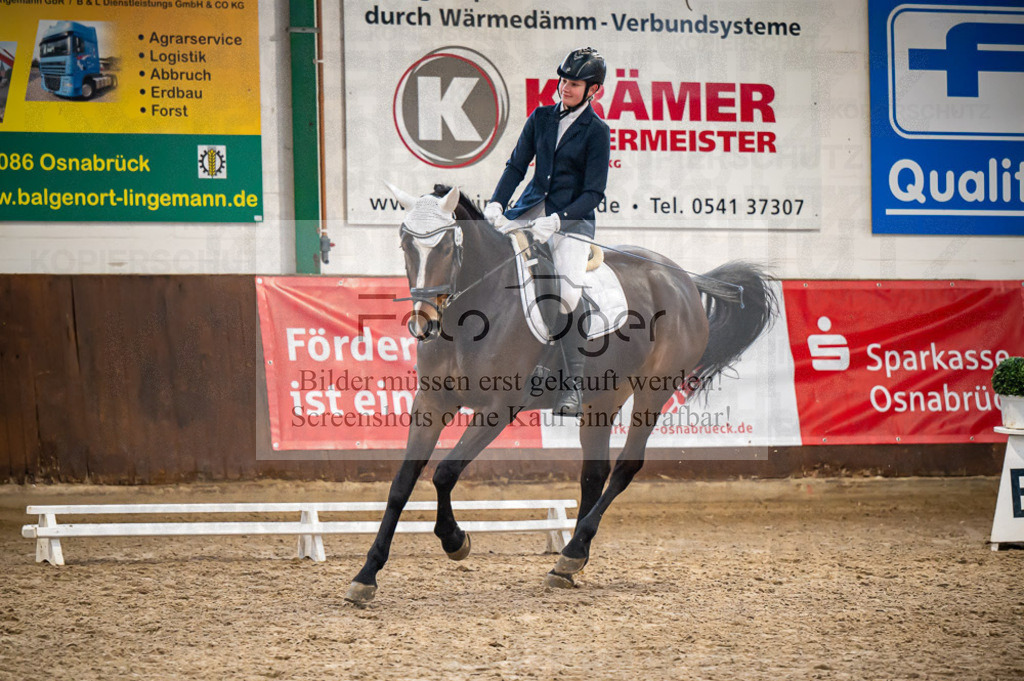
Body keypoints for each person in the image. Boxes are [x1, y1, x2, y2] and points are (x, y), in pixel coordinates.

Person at [483, 47, 611, 418]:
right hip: (529, 212)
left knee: (567, 292)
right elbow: (517, 165)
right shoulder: (540, 118)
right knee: (496, 273)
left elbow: (594, 193)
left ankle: (571, 383)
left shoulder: (597, 132)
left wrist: (559, 220)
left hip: (571, 222)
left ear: (594, 91)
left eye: (573, 84)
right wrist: (497, 203)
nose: (564, 88)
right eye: (563, 81)